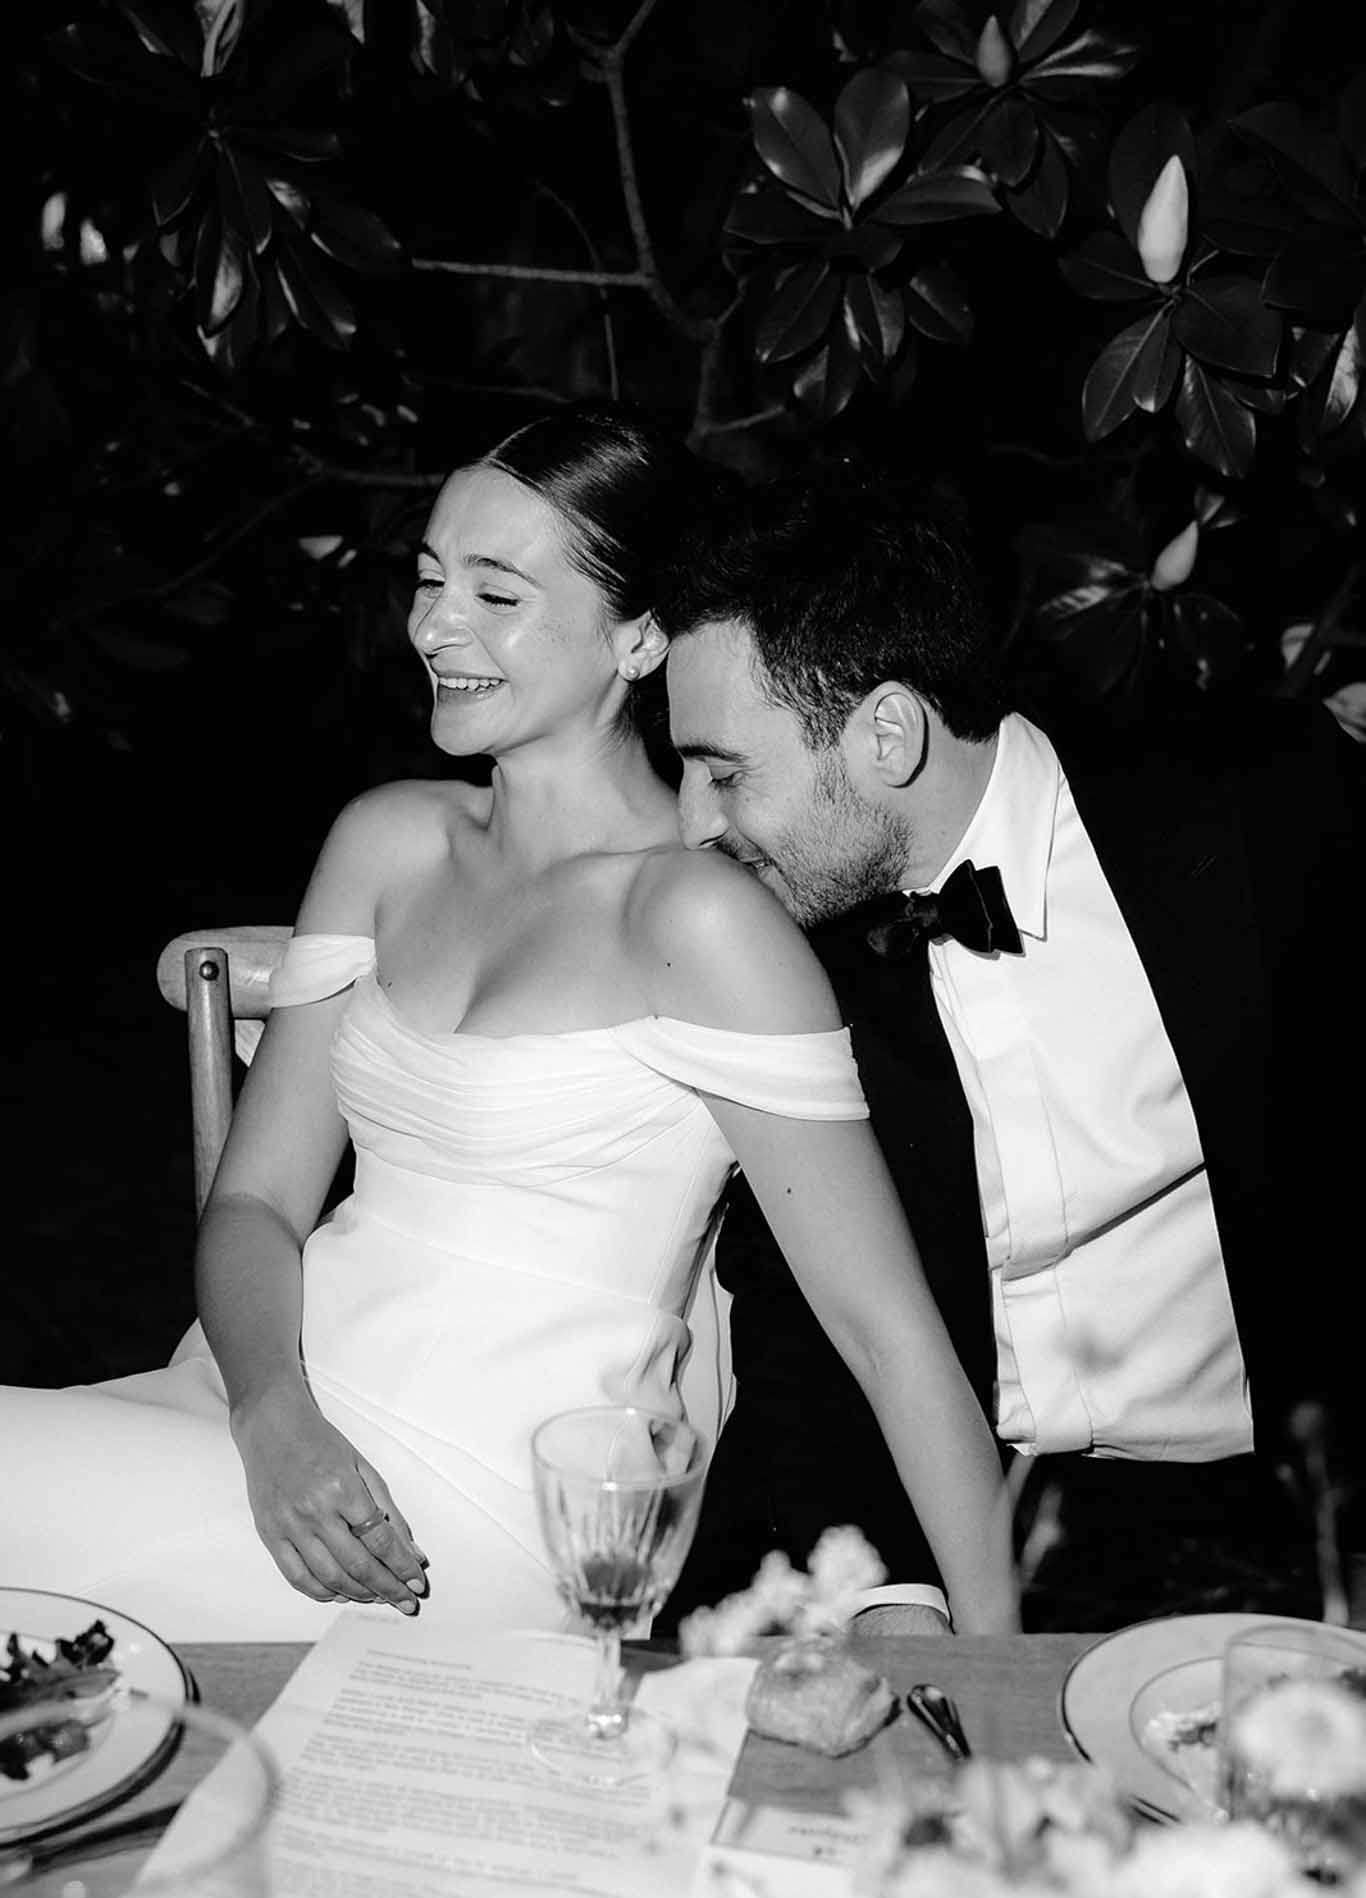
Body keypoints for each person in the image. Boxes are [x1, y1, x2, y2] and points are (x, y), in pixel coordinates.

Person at [0, 405, 1016, 1642]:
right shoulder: (388, 840)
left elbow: (888, 1332)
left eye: (497, 592)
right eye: (429, 582)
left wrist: (1000, 1670)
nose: (435, 626)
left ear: (639, 636)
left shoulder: (700, 918)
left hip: (465, 1518)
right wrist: (272, 1410)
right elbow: (258, 1202)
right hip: (259, 1414)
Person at [654, 461, 1365, 1637]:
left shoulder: (1257, 823)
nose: (693, 820)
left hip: (1269, 1528)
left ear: (886, 732)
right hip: (956, 1521)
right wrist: (889, 1593)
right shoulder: (788, 953)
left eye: (724, 769)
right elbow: (803, 1328)